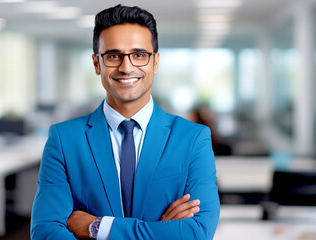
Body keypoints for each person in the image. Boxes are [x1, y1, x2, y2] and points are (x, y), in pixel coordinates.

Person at [30, 4, 220, 240]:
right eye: (113, 56)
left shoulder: (193, 138)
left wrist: (98, 227)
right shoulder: (64, 139)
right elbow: (45, 232)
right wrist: (161, 231)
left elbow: (198, 232)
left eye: (139, 55)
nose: (126, 67)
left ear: (155, 62)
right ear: (97, 63)